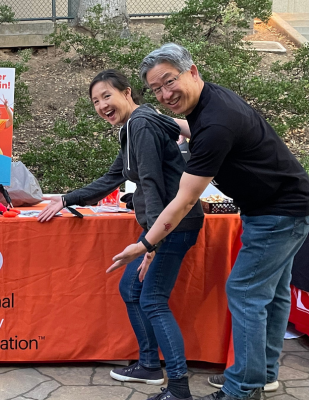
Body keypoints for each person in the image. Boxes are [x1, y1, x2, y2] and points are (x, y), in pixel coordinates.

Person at [109, 43, 309, 400]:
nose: (165, 93)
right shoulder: (209, 103)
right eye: (156, 89)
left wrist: (144, 244)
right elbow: (190, 127)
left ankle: (242, 389)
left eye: (170, 82)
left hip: (278, 213)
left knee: (245, 292)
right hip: (280, 207)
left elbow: (184, 200)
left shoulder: (216, 122)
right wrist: (163, 119)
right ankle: (260, 374)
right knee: (273, 294)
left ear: (193, 71)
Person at [38, 69, 205, 400]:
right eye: (95, 101)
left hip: (173, 226)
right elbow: (113, 177)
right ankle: (147, 365)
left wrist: (151, 244)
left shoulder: (141, 124)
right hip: (162, 226)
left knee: (153, 299)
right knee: (131, 287)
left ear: (127, 93)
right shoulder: (135, 126)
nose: (101, 105)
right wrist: (65, 199)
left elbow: (153, 183)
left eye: (106, 96)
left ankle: (180, 388)